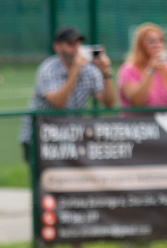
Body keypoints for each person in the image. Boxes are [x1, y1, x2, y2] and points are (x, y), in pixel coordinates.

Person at [17, 26, 115, 160]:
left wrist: (106, 72)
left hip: (69, 135)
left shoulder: (90, 70)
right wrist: (75, 70)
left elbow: (108, 102)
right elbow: (58, 103)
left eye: (78, 44)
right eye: (70, 44)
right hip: (39, 136)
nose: (76, 48)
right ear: (57, 47)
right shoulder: (48, 69)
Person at [118, 22, 167, 110]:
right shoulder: (128, 69)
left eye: (161, 40)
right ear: (140, 44)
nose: (157, 44)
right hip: (139, 119)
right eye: (151, 41)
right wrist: (151, 70)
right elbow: (137, 101)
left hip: (165, 117)